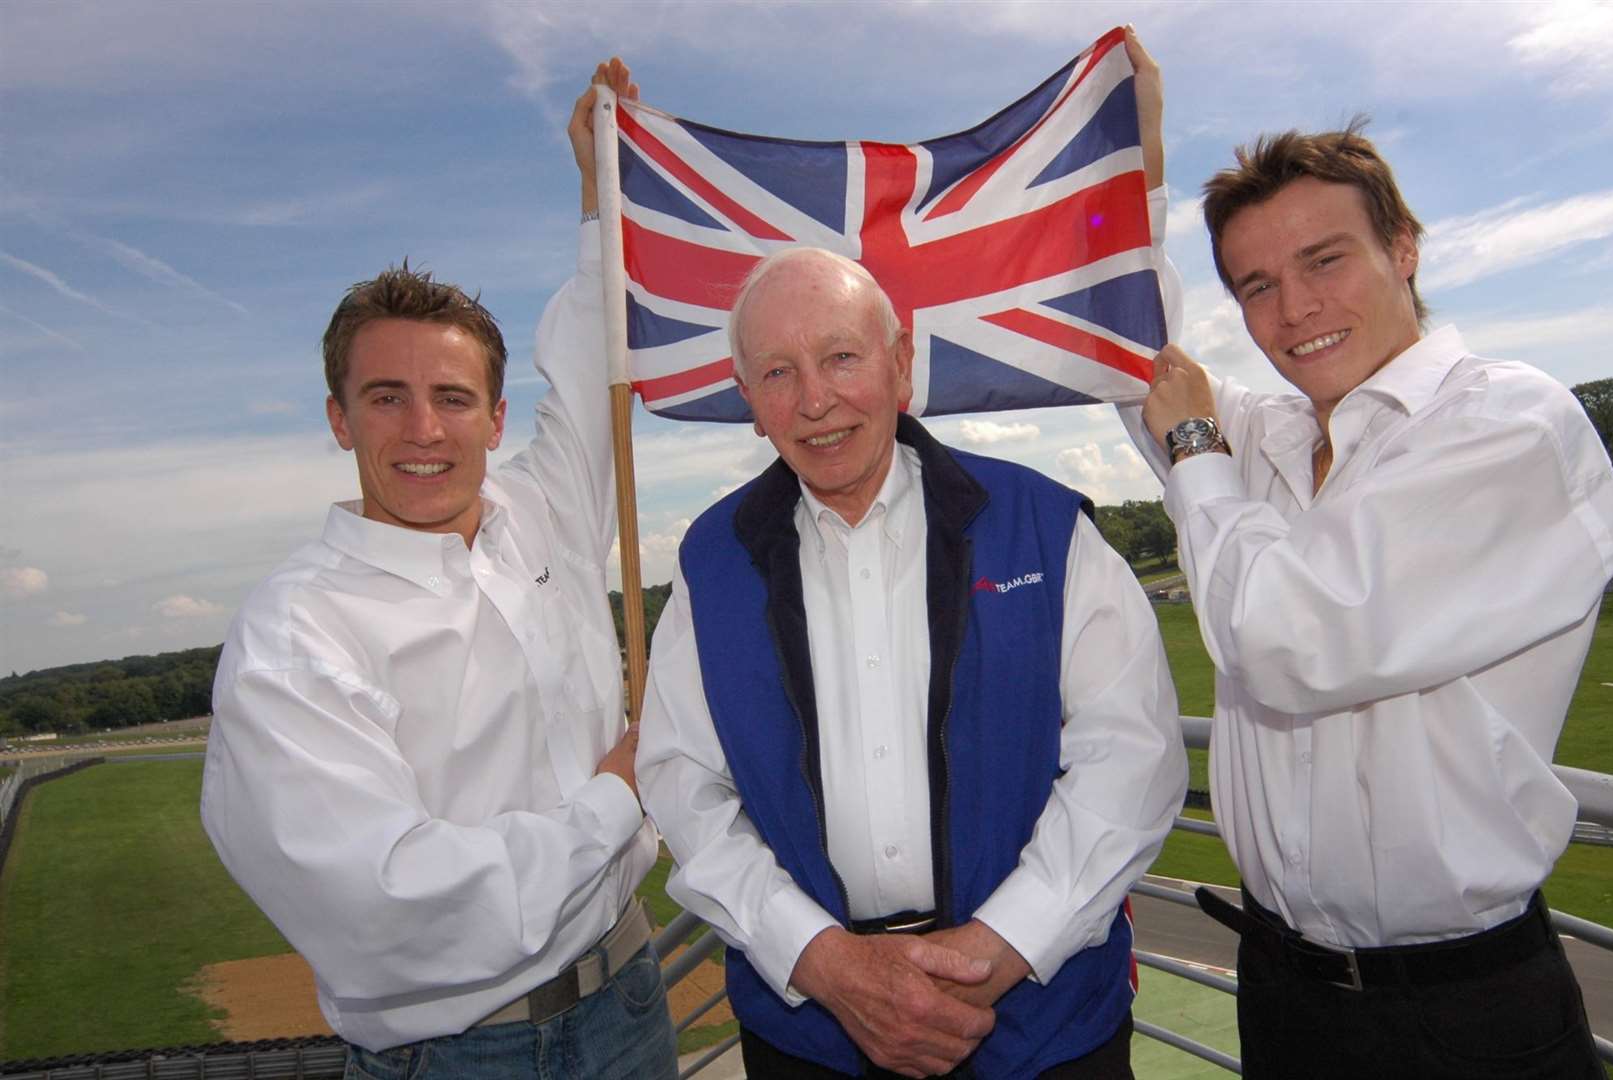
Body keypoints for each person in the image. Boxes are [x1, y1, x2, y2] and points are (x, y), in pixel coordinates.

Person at [634, 34, 1185, 1075]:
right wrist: (828, 964)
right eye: (778, 373)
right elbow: (682, 787)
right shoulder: (710, 565)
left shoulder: (1040, 525)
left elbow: (1133, 754)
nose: (815, 400)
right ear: (747, 403)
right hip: (813, 1033)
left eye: (841, 358)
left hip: (1037, 1025)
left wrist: (996, 949)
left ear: (898, 366)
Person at [1122, 101, 1613, 1076]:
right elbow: (1129, 356)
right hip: (1283, 990)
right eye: (1255, 285)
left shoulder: (1507, 424)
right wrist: (1125, 167)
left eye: (1325, 260)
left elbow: (1287, 641)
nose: (1294, 309)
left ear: (1402, 248)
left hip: (1461, 1014)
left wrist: (1192, 446)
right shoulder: (1268, 435)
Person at [201, 60, 679, 1079]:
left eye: (454, 399)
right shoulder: (296, 634)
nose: (424, 431)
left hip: (632, 1005)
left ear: (494, 419)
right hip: (463, 1056)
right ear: (339, 420)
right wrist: (621, 795)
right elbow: (389, 904)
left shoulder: (537, 513)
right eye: (385, 397)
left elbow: (599, 372)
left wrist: (601, 191)